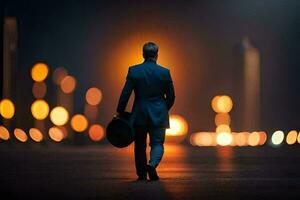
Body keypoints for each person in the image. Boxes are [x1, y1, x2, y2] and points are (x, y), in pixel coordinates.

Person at [116, 42, 175, 181]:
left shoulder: (134, 71)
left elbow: (126, 93)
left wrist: (120, 111)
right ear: (157, 55)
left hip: (140, 113)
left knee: (140, 146)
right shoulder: (165, 72)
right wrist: (162, 109)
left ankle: (141, 174)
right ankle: (152, 165)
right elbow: (172, 96)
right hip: (159, 114)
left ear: (143, 54)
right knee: (157, 144)